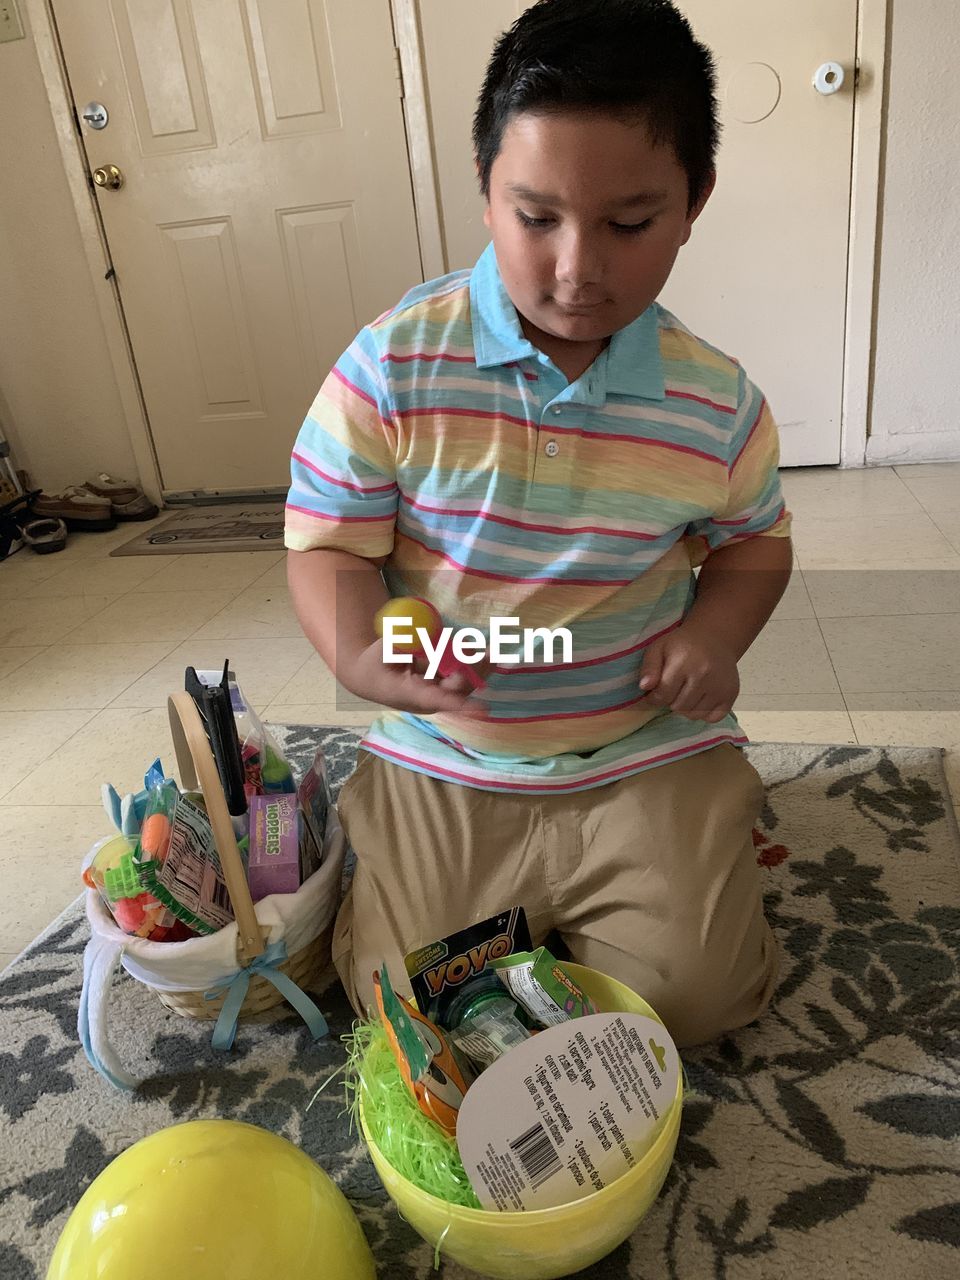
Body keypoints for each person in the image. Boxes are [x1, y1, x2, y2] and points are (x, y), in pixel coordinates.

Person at [285, 0, 793, 1048]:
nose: (577, 268)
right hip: (451, 751)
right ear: (485, 193)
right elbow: (331, 541)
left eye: (628, 222)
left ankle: (664, 871)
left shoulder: (714, 400)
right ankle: (515, 899)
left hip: (642, 747)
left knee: (690, 1004)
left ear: (693, 201)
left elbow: (755, 540)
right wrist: (367, 651)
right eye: (537, 217)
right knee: (409, 1006)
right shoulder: (393, 363)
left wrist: (715, 634)